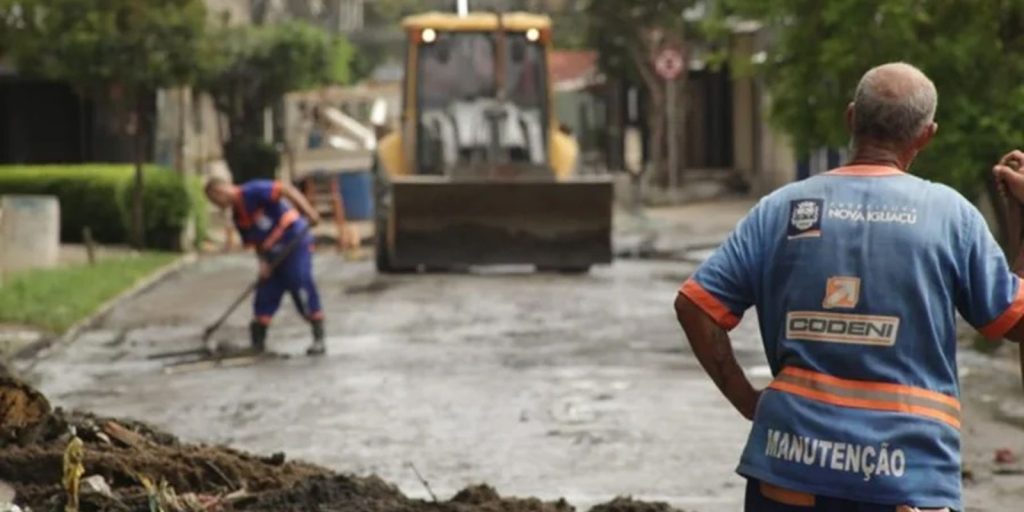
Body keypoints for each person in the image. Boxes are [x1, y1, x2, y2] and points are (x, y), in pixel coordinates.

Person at [674, 62, 1024, 511]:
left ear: (851, 118)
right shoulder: (950, 216)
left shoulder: (779, 210)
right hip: (908, 477)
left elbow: (696, 306)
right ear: (926, 135)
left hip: (789, 470)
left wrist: (747, 401)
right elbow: (1013, 321)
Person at [205, 177, 327, 356]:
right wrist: (263, 263)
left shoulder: (253, 190)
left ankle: (318, 338)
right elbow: (255, 242)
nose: (218, 205)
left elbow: (286, 190)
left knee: (299, 281)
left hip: (294, 241)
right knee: (266, 291)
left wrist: (309, 212)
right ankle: (258, 343)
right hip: (271, 254)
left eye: (215, 201)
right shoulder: (238, 217)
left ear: (221, 191)